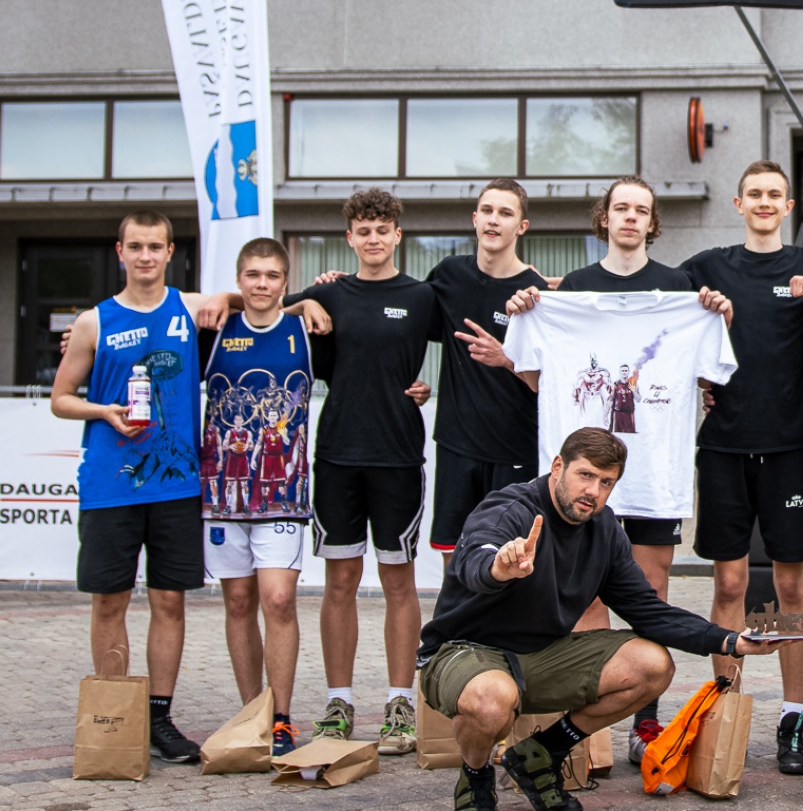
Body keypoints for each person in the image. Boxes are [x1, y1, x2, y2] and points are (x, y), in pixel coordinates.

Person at [417, 427, 779, 811]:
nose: (593, 491)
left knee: (652, 664)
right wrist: (499, 568)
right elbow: (475, 559)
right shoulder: (511, 508)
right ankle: (475, 778)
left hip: (539, 656)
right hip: (465, 652)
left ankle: (541, 754)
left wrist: (730, 641)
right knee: (491, 699)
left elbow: (647, 611)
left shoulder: (603, 530)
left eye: (606, 482)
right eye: (585, 475)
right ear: (558, 467)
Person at [506, 173, 734, 758]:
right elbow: (533, 375)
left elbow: (708, 375)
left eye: (641, 210)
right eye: (621, 208)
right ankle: (592, 733)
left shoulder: (682, 290)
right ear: (604, 218)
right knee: (585, 596)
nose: (631, 217)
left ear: (652, 223)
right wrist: (528, 310)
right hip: (584, 477)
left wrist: (717, 316)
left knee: (651, 591)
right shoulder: (570, 291)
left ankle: (644, 722)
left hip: (652, 470)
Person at [678, 161, 803, 775]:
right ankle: (725, 710)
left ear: (789, 204)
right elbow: (646, 297)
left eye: (775, 194)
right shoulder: (708, 267)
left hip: (791, 449)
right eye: (754, 194)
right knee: (728, 585)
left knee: (793, 587)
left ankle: (792, 716)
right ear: (738, 202)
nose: (764, 202)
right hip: (724, 447)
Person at [49, 211, 228, 765]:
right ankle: (115, 717)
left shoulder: (190, 308)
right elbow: (60, 398)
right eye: (136, 246)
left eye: (155, 246)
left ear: (170, 252)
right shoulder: (92, 322)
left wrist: (313, 300)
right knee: (110, 600)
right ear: (120, 251)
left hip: (176, 484)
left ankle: (158, 718)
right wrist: (104, 411)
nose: (145, 256)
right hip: (111, 485)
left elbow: (254, 296)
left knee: (169, 600)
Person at [285, 188, 440, 756]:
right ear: (349, 238)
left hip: (398, 455)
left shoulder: (422, 296)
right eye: (363, 231)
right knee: (340, 583)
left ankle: (400, 704)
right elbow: (261, 306)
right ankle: (339, 702)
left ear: (398, 235)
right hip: (338, 456)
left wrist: (428, 387)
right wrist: (305, 305)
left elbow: (475, 336)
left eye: (382, 230)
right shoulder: (329, 293)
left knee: (399, 581)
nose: (373, 239)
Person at [200, 238, 317, 756]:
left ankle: (282, 718)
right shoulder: (216, 328)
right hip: (223, 494)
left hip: (283, 493)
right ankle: (252, 714)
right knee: (239, 601)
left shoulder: (304, 329)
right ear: (239, 280)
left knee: (279, 599)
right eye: (252, 275)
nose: (262, 284)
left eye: (272, 275)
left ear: (285, 282)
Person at [422, 178, 550, 556]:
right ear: (475, 218)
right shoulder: (448, 274)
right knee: (455, 556)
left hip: (515, 449)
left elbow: (552, 383)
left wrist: (506, 358)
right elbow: (402, 319)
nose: (494, 220)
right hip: (456, 445)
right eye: (488, 211)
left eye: (505, 213)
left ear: (521, 226)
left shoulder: (536, 294)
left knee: (510, 558)